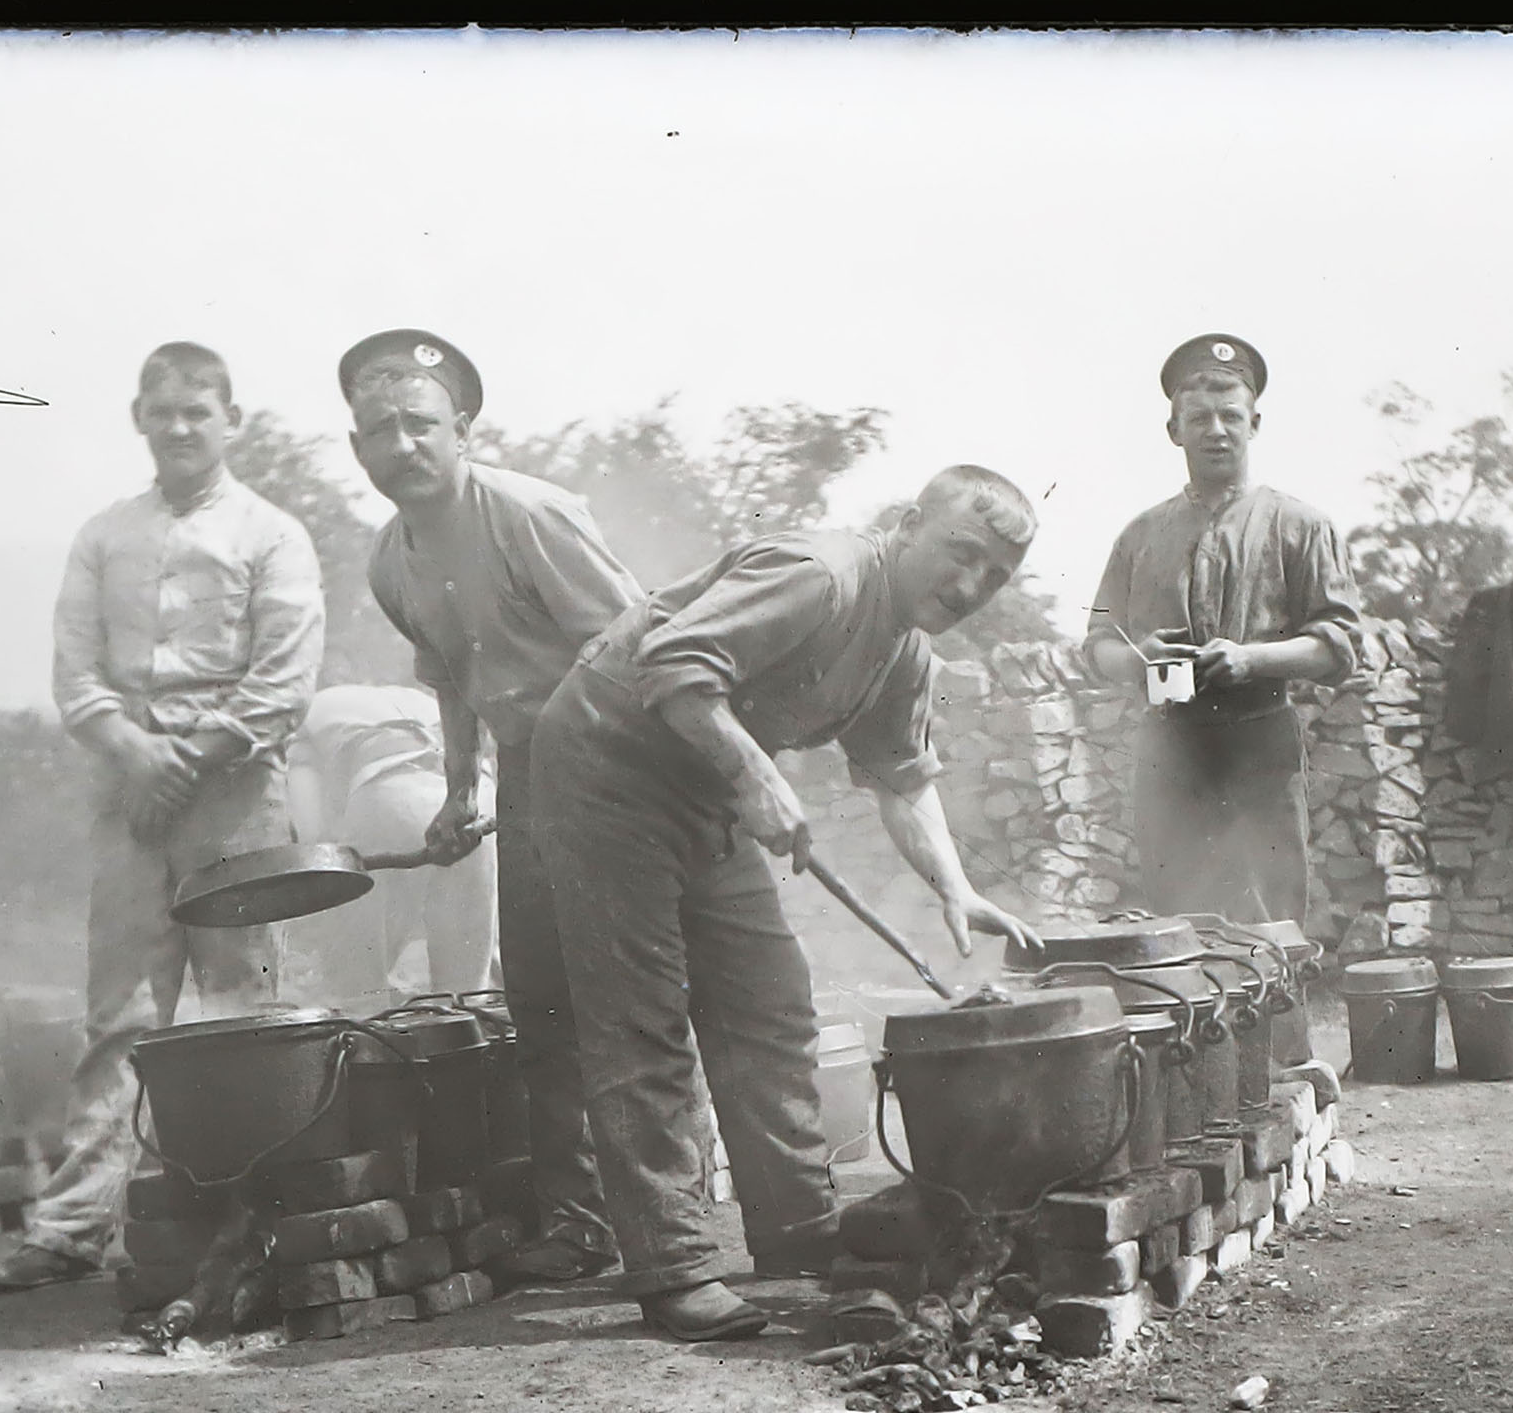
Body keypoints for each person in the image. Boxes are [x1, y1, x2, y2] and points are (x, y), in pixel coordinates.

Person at [534, 466, 1041, 1342]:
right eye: (960, 553)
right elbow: (674, 661)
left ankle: (796, 1227)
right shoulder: (821, 573)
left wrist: (957, 888)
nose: (968, 586)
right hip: (604, 764)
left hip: (704, 781)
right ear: (909, 522)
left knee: (770, 1000)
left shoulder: (905, 649)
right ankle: (675, 1267)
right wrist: (755, 772)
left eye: (993, 577)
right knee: (643, 1017)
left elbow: (902, 779)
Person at [0, 341, 323, 1291]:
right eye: (162, 411)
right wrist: (138, 754)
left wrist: (191, 758)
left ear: (232, 422)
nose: (179, 428)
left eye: (198, 412)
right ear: (139, 417)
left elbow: (284, 685)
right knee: (122, 1014)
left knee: (244, 1005)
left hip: (236, 797)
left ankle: (256, 1215)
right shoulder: (103, 536)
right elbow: (75, 673)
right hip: (127, 793)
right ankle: (70, 1228)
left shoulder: (273, 535)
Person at [341, 327, 644, 1283]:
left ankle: (675, 1216)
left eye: (419, 423)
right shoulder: (390, 559)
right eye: (378, 430)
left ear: (462, 427)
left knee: (632, 995)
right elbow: (450, 671)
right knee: (543, 999)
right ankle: (585, 1225)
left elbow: (639, 647)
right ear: (358, 451)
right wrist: (462, 786)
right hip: (524, 770)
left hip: (619, 758)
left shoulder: (530, 514)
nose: (402, 445)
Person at [1081, 333, 1363, 923]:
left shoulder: (1300, 525)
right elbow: (1098, 643)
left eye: (1230, 416)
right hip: (1169, 743)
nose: (1216, 430)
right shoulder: (1139, 536)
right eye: (1199, 418)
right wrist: (1138, 659)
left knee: (1269, 920)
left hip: (1258, 741)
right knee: (1178, 925)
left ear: (1255, 423)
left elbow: (1339, 646)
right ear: (1174, 430)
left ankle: (1278, 1020)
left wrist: (1252, 660)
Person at [285, 679, 499, 1011]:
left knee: (358, 991)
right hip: (474, 799)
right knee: (468, 994)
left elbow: (312, 835)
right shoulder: (413, 696)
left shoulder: (305, 716)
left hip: (390, 793)